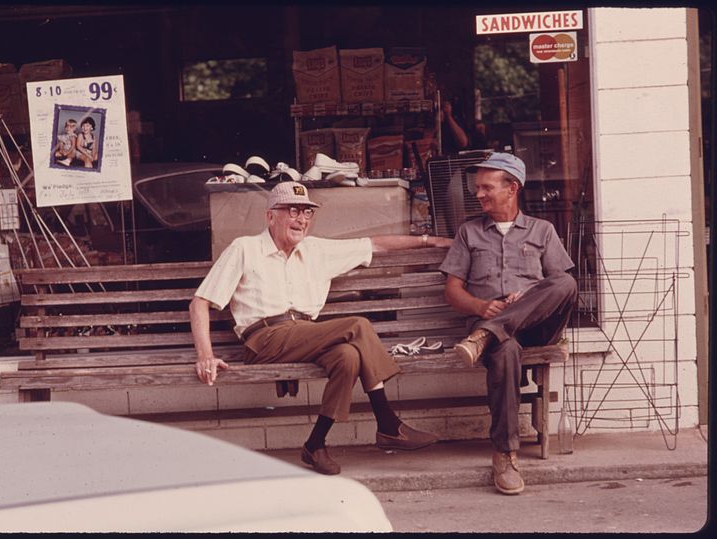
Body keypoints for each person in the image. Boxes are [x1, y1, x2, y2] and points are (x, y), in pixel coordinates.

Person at [190, 181, 452, 475]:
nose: (301, 219)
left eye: (307, 213)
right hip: (263, 340)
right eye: (292, 211)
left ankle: (315, 444)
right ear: (270, 216)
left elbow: (375, 244)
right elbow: (199, 302)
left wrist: (430, 241)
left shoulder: (316, 250)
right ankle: (388, 422)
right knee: (358, 325)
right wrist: (206, 355)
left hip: (305, 336)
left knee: (348, 357)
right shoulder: (245, 248)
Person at [439, 152, 578, 495]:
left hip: (537, 326)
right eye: (478, 188)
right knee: (504, 349)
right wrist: (483, 307)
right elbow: (453, 292)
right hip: (497, 333)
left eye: (486, 187)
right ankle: (505, 454)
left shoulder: (542, 231)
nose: (479, 194)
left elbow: (559, 288)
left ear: (512, 188)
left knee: (566, 283)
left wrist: (527, 296)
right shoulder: (468, 232)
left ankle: (486, 335)